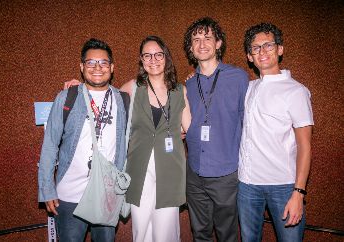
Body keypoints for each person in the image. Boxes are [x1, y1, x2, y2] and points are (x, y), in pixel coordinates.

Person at [38, 38, 127, 241]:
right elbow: (50, 145)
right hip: (69, 197)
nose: (97, 67)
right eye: (91, 62)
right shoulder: (67, 97)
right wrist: (47, 189)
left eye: (103, 62)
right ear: (81, 66)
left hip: (106, 195)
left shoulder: (123, 100)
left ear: (112, 67)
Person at [238, 23, 314, 242]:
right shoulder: (249, 88)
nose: (262, 51)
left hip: (283, 185)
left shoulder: (296, 91)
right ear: (249, 56)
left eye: (268, 45)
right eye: (256, 48)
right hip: (247, 184)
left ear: (280, 49)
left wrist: (298, 193)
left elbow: (305, 146)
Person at [183, 17, 249, 242]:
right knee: (200, 233)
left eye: (208, 38)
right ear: (191, 48)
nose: (202, 44)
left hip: (225, 173)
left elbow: (248, 122)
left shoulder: (239, 77)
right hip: (194, 172)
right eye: (196, 39)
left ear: (218, 43)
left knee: (227, 234)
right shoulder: (189, 84)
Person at [121, 35, 191, 242]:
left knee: (165, 231)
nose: (153, 59)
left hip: (170, 169)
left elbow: (191, 129)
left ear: (166, 57)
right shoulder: (132, 88)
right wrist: (79, 88)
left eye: (158, 54)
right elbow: (104, 101)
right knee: (141, 229)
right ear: (142, 60)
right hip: (138, 169)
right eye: (147, 55)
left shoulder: (180, 91)